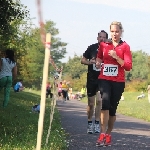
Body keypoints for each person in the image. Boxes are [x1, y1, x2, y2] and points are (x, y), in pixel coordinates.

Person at [95, 21, 132, 146]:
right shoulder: (104, 44)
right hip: (104, 78)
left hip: (118, 81)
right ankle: (102, 133)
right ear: (109, 32)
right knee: (105, 102)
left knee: (112, 109)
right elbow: (99, 57)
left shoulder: (125, 46)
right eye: (112, 31)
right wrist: (98, 62)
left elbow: (128, 66)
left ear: (121, 32)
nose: (114, 34)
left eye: (117, 31)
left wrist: (116, 57)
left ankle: (109, 134)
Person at [81, 30, 108, 134]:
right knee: (91, 103)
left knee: (100, 101)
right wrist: (90, 62)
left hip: (102, 78)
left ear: (106, 38)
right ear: (97, 38)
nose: (102, 39)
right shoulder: (91, 48)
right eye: (100, 37)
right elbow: (82, 60)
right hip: (92, 79)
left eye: (104, 37)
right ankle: (89, 123)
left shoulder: (108, 49)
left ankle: (97, 123)